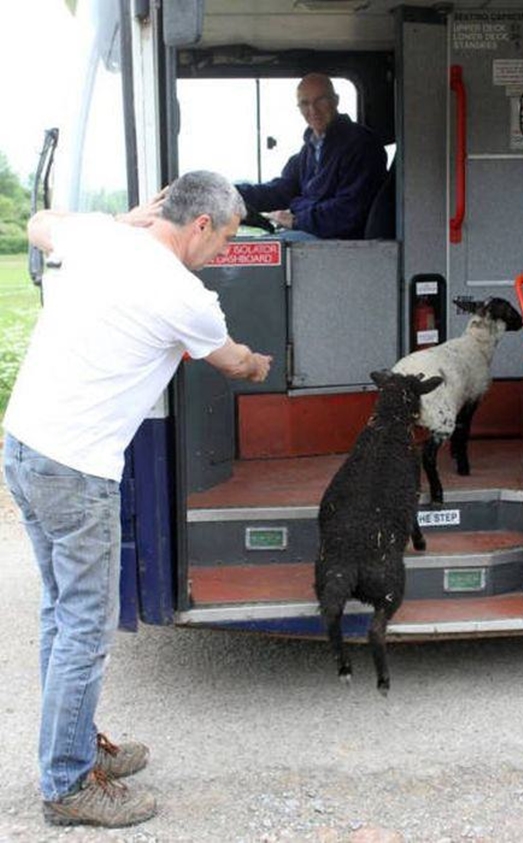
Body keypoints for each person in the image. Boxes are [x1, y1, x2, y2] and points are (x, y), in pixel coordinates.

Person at [2, 171, 272, 828]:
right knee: (85, 626)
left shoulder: (100, 237)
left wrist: (115, 222)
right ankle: (68, 784)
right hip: (76, 470)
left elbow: (39, 224)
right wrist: (259, 363)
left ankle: (72, 743)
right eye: (224, 239)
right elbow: (232, 361)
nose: (222, 253)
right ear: (200, 224)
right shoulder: (186, 296)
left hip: (24, 446)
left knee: (62, 613)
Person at [236, 73, 388, 240]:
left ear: (335, 101)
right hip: (315, 232)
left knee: (261, 251)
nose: (313, 110)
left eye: (320, 100)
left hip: (343, 242)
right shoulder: (309, 150)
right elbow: (281, 191)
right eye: (305, 103)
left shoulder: (360, 144)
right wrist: (233, 193)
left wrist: (296, 219)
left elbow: (349, 211)